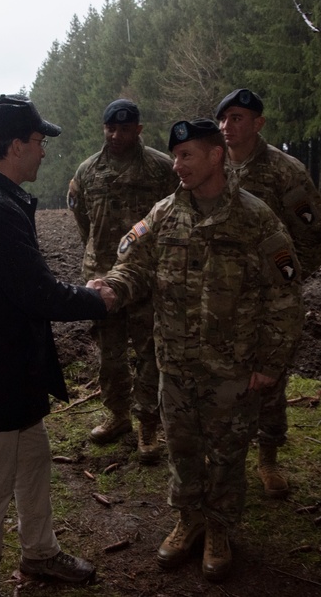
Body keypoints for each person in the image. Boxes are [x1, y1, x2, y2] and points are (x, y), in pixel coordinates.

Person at [89, 119, 304, 582]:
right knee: (183, 450)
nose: (179, 164)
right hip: (176, 364)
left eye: (188, 154)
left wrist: (269, 364)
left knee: (227, 455)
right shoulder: (164, 213)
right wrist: (111, 289)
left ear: (215, 156)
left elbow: (284, 296)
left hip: (232, 369)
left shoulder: (255, 218)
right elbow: (134, 266)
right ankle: (189, 520)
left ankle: (220, 531)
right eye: (176, 155)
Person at [0, 94, 116, 597]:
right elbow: (37, 293)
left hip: (9, 371)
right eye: (38, 142)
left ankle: (39, 553)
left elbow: (19, 286)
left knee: (33, 462)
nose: (44, 152)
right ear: (15, 145)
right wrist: (99, 299)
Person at [215, 88, 321, 497]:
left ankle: (267, 459)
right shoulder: (212, 167)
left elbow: (314, 234)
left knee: (270, 378)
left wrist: (288, 280)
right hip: (223, 297)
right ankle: (226, 456)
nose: (229, 127)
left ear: (259, 123)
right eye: (224, 119)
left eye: (239, 118)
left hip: (270, 300)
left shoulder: (285, 171)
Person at [66, 98, 178, 462]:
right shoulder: (87, 171)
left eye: (124, 129)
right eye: (110, 128)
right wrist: (97, 256)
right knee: (109, 354)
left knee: (149, 352)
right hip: (100, 276)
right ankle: (117, 415)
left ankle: (147, 423)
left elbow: (174, 216)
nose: (116, 135)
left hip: (147, 275)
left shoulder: (162, 169)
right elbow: (82, 219)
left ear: (138, 130)